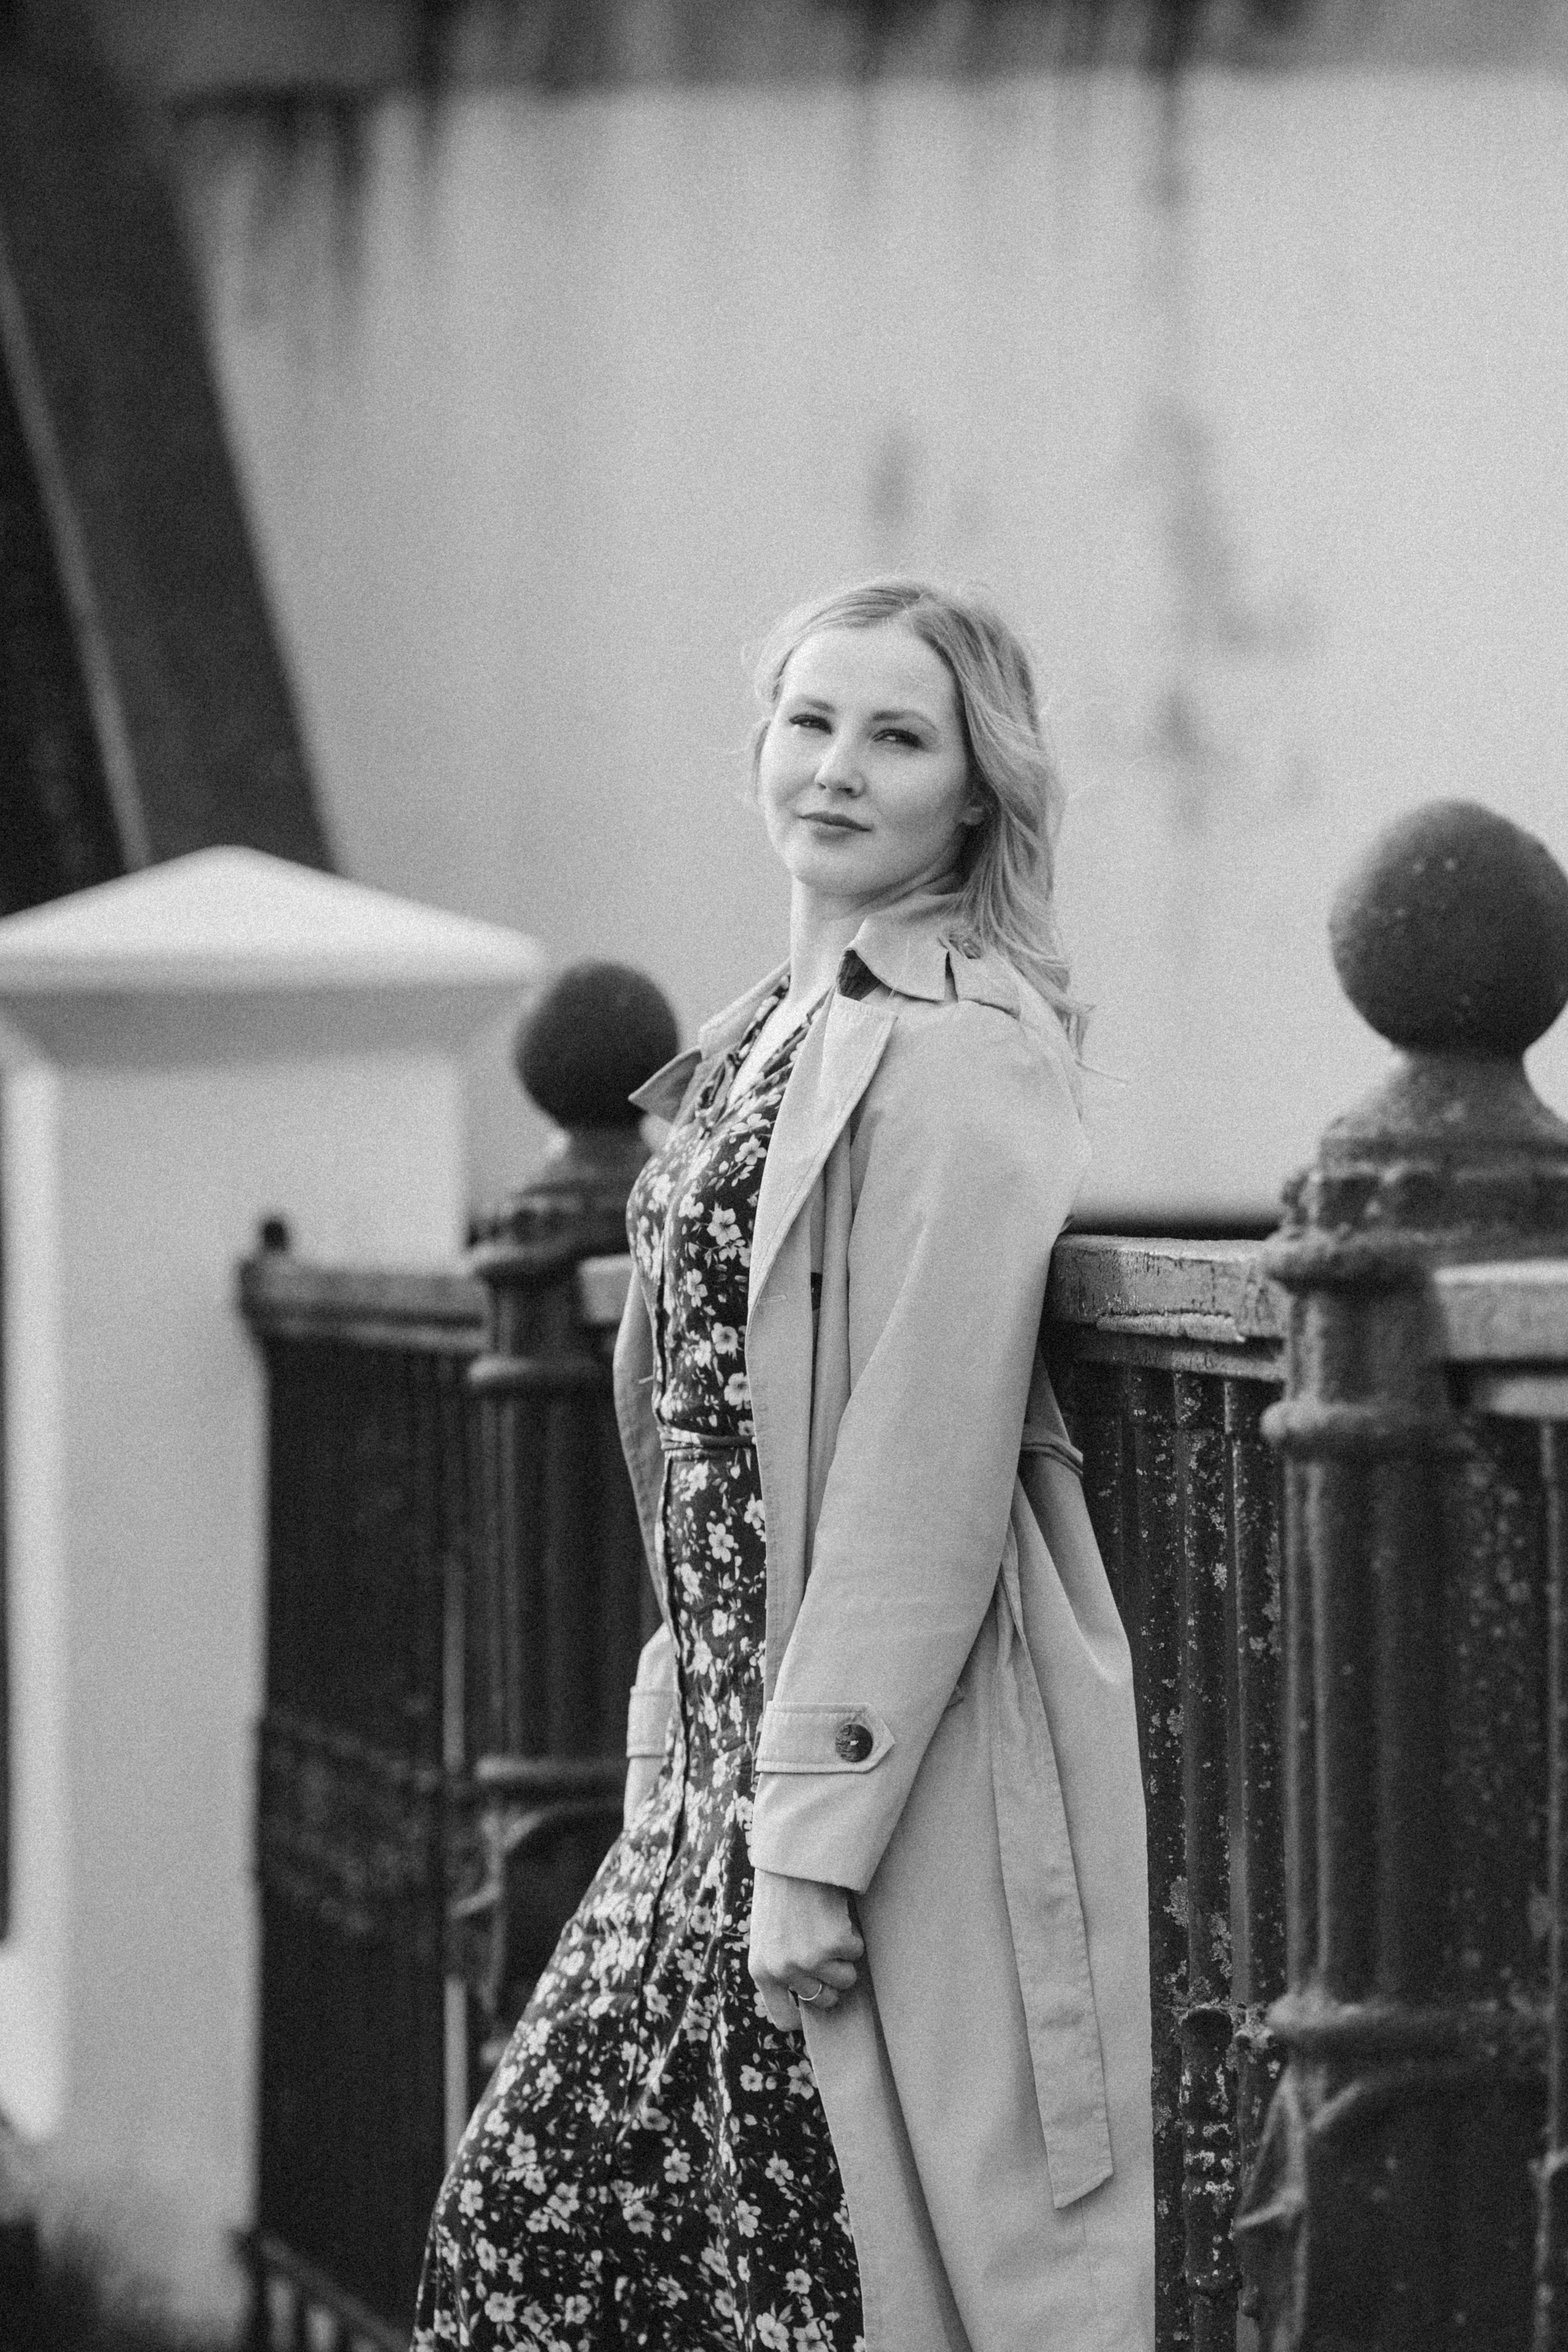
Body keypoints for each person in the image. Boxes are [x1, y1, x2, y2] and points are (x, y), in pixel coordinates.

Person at [413, 578, 1153, 2352]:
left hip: (851, 1792)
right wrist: (681, 1756)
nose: (838, 767)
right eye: (810, 721)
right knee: (531, 2242)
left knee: (805, 2280)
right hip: (713, 1781)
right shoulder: (763, 1035)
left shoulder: (968, 1055)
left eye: (897, 736)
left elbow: (921, 1469)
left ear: (972, 794)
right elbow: (701, 1435)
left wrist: (809, 1848)